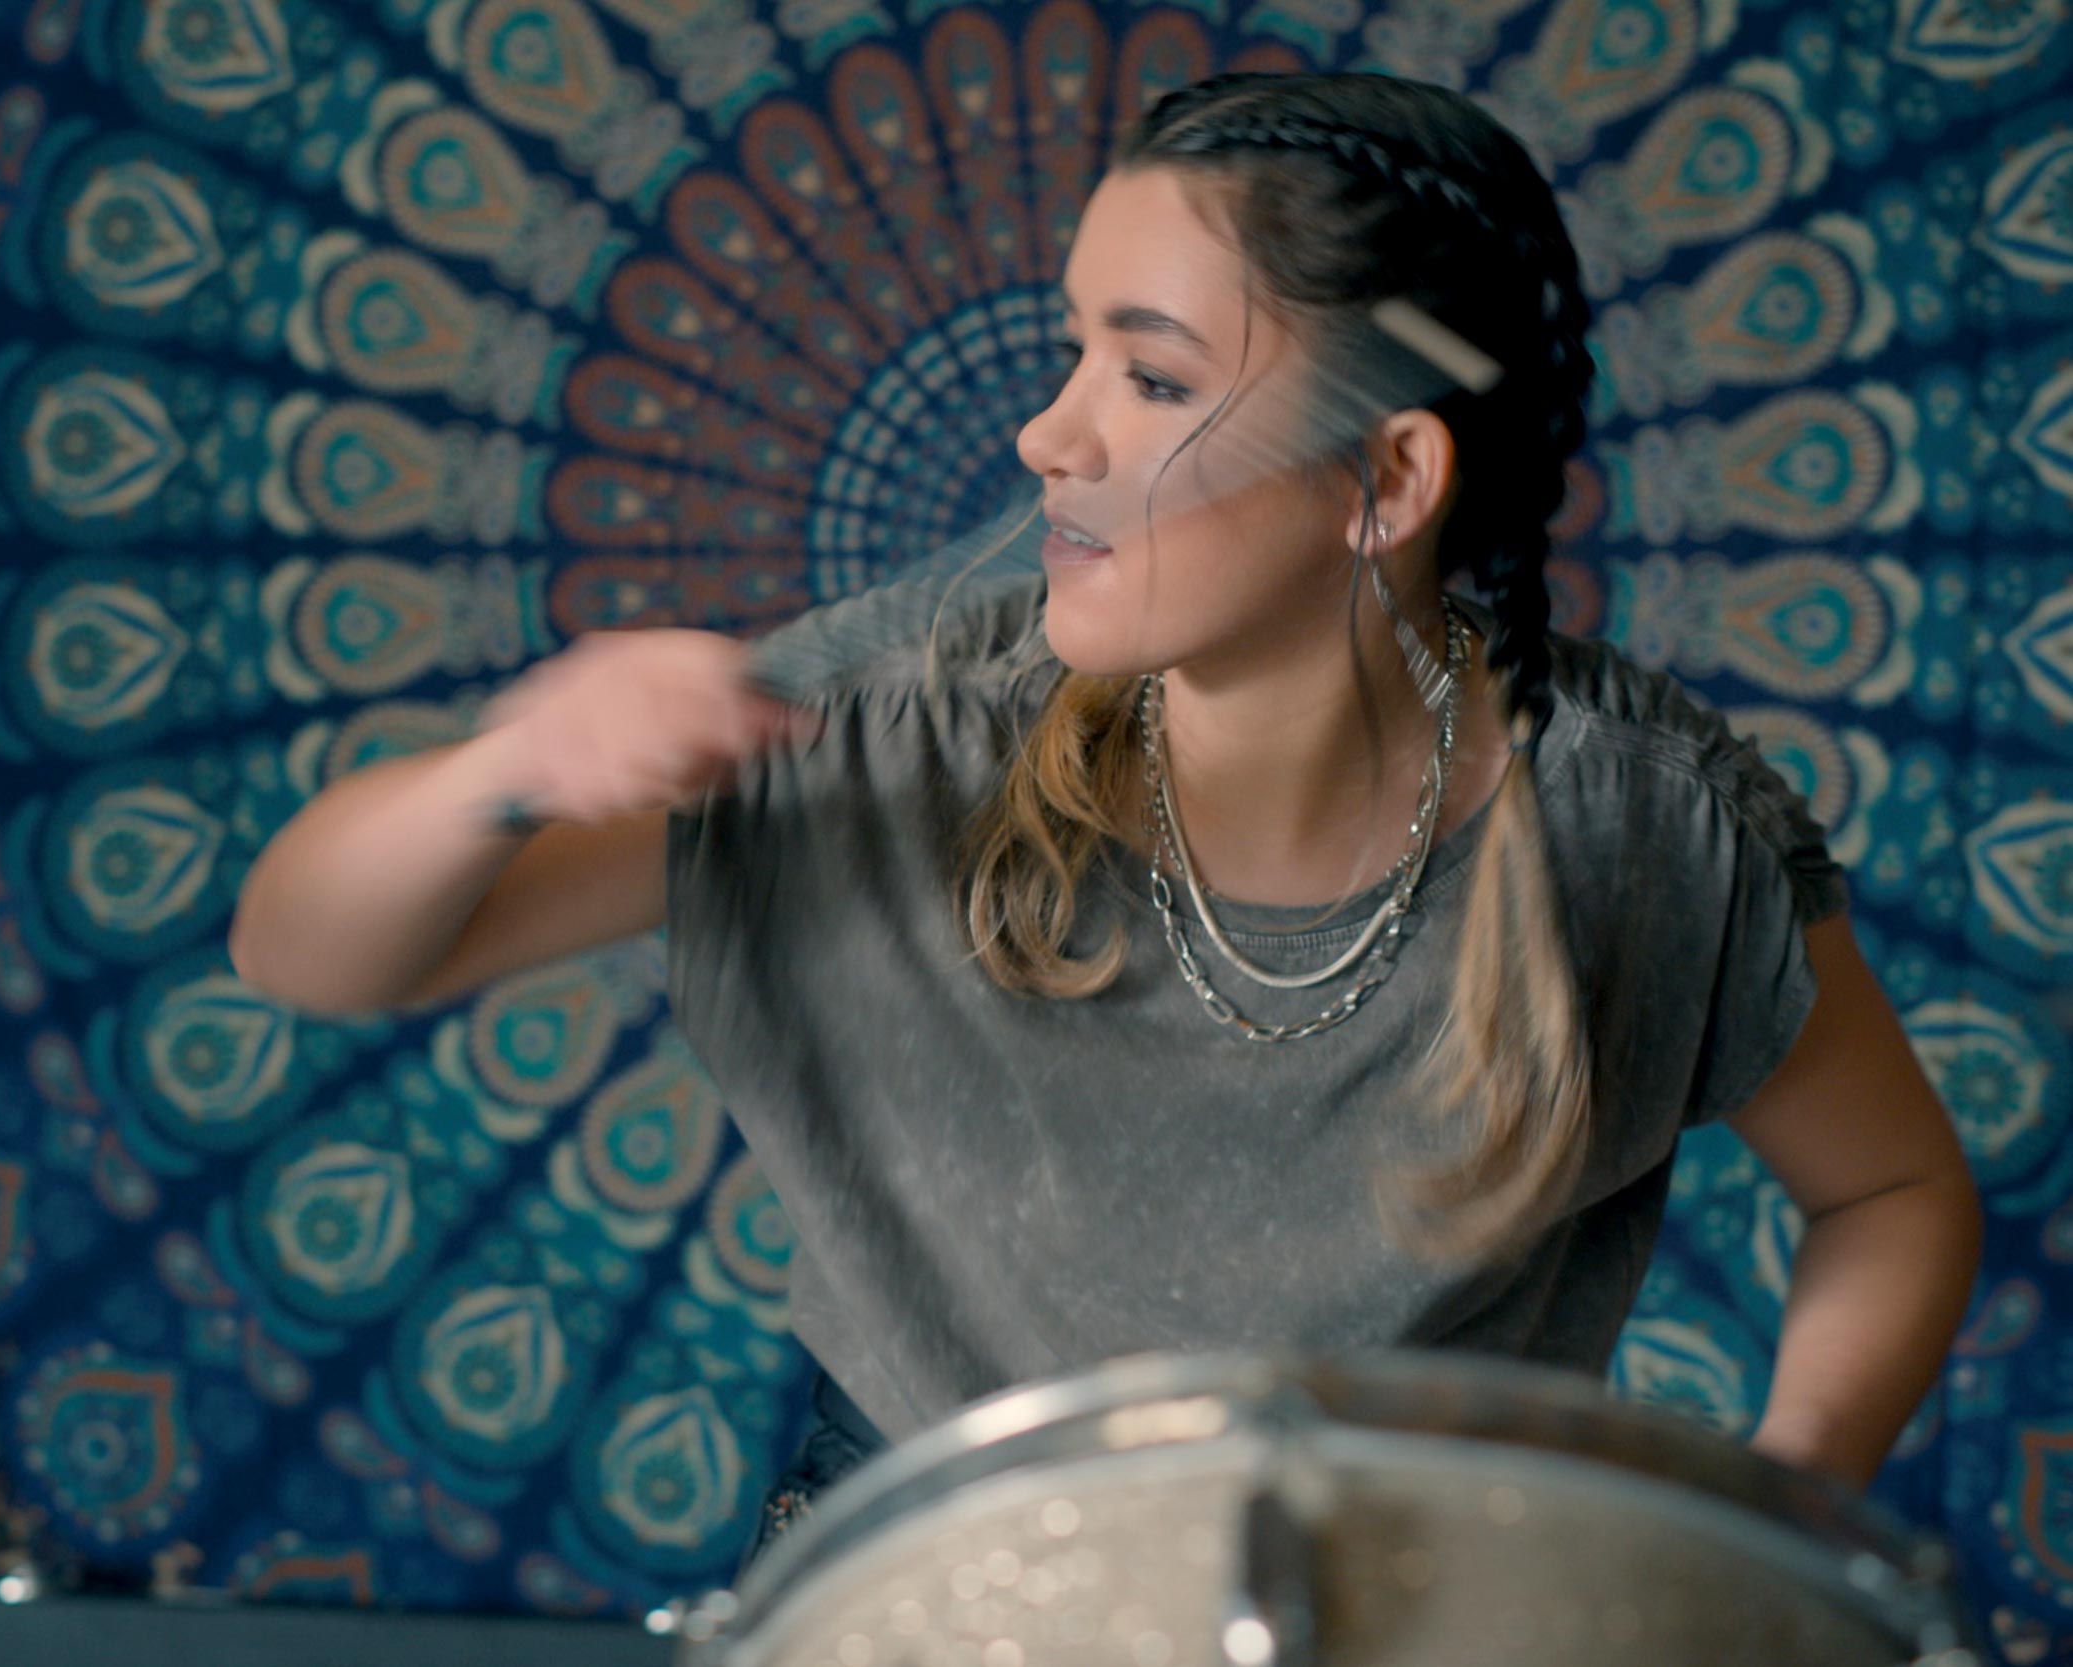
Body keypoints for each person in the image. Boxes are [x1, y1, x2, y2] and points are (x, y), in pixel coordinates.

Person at [228, 71, 1982, 1571]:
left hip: (1432, 1607)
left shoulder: (1644, 829)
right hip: (914, 1585)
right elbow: (310, 952)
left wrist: (1771, 1510)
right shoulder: (892, 727)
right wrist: (503, 773)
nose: (1044, 431)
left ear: (1386, 481)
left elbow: (1897, 1191)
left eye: (1148, 379)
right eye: (1076, 350)